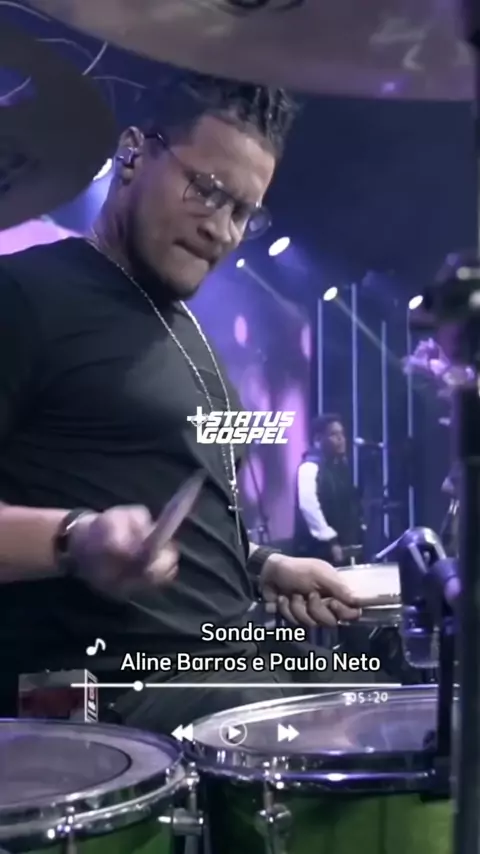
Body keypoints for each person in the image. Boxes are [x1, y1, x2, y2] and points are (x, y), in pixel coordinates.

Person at [0, 72, 378, 735]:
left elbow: (171, 526)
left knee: (399, 700)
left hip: (225, 661)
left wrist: (264, 566)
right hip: (108, 694)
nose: (222, 231)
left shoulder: (185, 330)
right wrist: (73, 539)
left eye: (243, 213)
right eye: (207, 190)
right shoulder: (24, 296)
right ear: (133, 152)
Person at [294, 414, 363, 566]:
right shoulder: (309, 466)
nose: (341, 439)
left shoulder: (339, 468)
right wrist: (329, 539)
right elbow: (308, 506)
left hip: (340, 549)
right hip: (317, 553)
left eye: (342, 434)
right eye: (333, 434)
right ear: (318, 439)